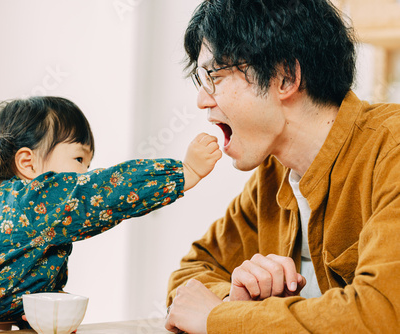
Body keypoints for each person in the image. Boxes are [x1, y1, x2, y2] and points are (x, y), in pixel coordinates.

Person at [165, 0, 400, 333]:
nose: (202, 100)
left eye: (214, 76)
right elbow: (189, 281)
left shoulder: (392, 151)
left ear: (286, 76)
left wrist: (219, 319)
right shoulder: (272, 176)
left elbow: (380, 315)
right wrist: (232, 299)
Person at [0, 96, 221, 327]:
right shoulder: (34, 200)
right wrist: (183, 171)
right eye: (79, 160)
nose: (85, 174)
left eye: (89, 165)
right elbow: (103, 192)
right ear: (29, 163)